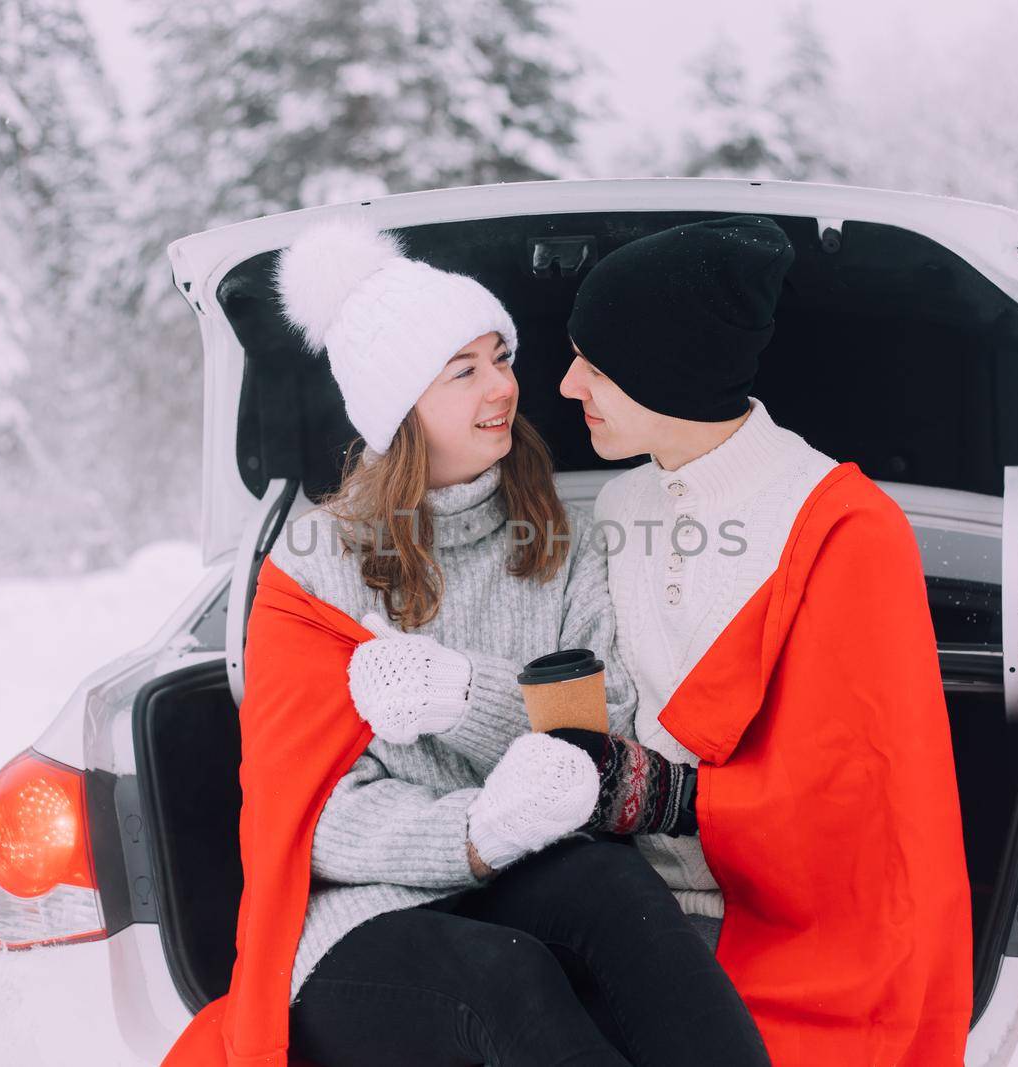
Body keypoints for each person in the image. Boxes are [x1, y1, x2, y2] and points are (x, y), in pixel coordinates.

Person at [162, 219, 769, 1067]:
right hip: (365, 916)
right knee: (504, 976)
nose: (503, 389)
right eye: (464, 371)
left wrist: (462, 694)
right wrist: (479, 828)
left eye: (501, 357)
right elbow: (317, 821)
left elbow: (596, 729)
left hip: (525, 873)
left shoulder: (558, 536)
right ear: (398, 406)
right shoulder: (315, 570)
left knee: (616, 889)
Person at [553, 216, 974, 1066]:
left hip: (789, 933)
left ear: (668, 369)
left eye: (594, 365)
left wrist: (670, 796)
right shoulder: (617, 507)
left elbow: (858, 800)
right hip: (624, 903)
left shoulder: (843, 526)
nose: (566, 386)